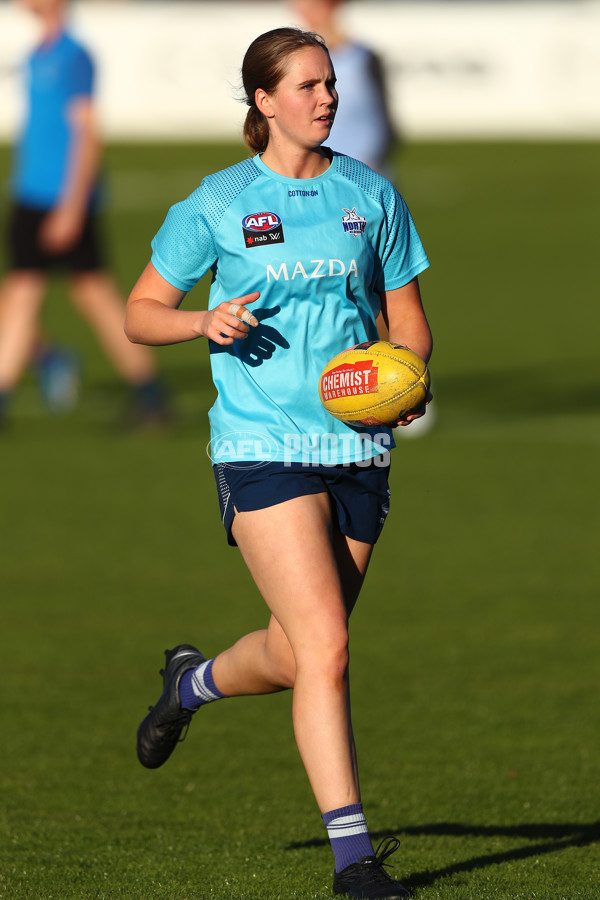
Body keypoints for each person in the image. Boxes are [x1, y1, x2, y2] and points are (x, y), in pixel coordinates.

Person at [126, 27, 432, 899]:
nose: (326, 98)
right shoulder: (220, 203)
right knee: (329, 646)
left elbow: (408, 321)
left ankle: (193, 684)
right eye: (306, 85)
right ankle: (355, 862)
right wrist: (199, 323)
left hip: (357, 452)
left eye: (330, 83)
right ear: (263, 102)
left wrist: (408, 381)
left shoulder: (371, 195)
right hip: (261, 448)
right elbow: (140, 311)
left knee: (302, 655)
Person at [0, 0, 170, 430]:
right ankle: (150, 394)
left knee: (70, 295)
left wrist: (71, 207)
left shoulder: (73, 56)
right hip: (31, 194)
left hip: (57, 199)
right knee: (39, 293)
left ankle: (150, 394)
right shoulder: (39, 52)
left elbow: (87, 132)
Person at [290, 0, 396, 176]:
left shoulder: (362, 58)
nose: (303, 13)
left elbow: (383, 121)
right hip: (318, 173)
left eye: (310, 6)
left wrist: (373, 158)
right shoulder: (296, 61)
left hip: (364, 171)